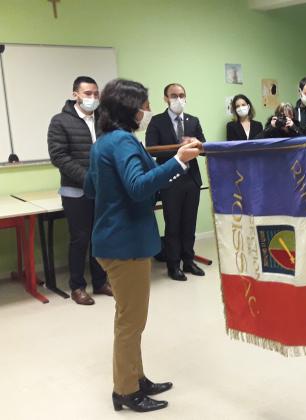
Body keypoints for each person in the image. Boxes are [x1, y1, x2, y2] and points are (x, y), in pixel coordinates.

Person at [85, 78, 201, 412]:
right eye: (144, 104)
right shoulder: (122, 141)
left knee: (129, 318)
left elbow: (94, 188)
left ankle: (136, 378)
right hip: (125, 245)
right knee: (131, 322)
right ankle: (125, 391)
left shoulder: (106, 142)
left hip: (113, 240)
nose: (147, 110)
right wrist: (178, 161)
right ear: (130, 108)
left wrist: (174, 159)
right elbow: (138, 187)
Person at [47, 76, 111, 305]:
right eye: (87, 93)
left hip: (103, 190)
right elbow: (59, 156)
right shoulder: (60, 121)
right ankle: (77, 286)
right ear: (75, 94)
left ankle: (101, 281)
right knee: (80, 238)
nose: (92, 98)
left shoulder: (104, 119)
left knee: (100, 237)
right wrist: (88, 179)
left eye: (95, 93)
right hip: (76, 190)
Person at [145, 83, 206, 281]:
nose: (178, 99)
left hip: (192, 179)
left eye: (181, 95)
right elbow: (152, 150)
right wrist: (180, 149)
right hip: (170, 180)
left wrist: (196, 144)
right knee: (173, 225)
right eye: (174, 96)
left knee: (189, 223)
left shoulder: (193, 120)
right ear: (166, 98)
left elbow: (204, 148)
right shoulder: (157, 121)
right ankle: (173, 265)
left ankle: (188, 260)